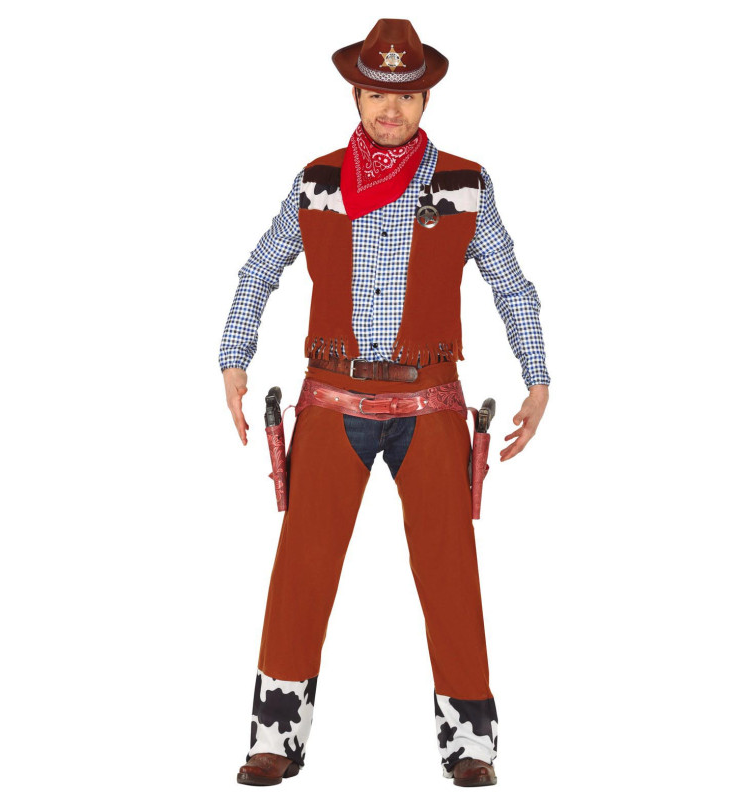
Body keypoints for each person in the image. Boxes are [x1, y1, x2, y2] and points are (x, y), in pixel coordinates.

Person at [220, 18, 550, 788]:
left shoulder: (465, 184)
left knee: (448, 568)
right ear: (357, 96)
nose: (389, 108)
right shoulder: (318, 181)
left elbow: (510, 283)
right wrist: (235, 356)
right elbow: (261, 266)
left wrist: (538, 375)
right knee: (302, 568)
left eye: (404, 94)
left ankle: (471, 743)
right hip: (331, 398)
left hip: (429, 403)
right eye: (375, 93)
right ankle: (276, 736)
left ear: (425, 98)